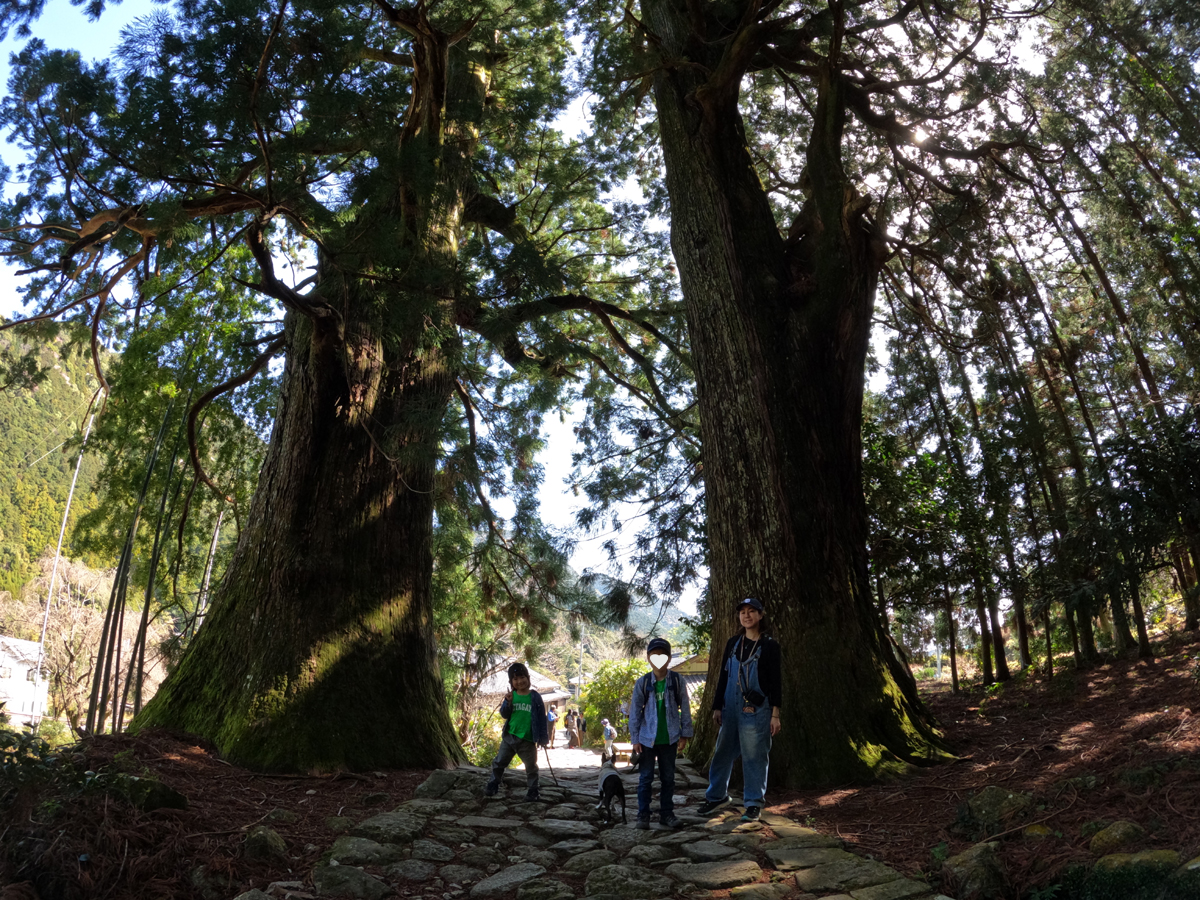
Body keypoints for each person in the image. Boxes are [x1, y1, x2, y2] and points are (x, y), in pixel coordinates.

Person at [699, 597, 782, 822]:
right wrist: (717, 706)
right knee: (722, 752)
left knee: (755, 756)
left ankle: (754, 803)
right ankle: (716, 796)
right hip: (730, 708)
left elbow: (776, 682)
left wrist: (775, 714)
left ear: (761, 615)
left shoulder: (769, 646)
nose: (747, 615)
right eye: (743, 612)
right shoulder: (733, 643)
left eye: (752, 611)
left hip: (758, 710)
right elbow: (723, 676)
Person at [628, 637, 693, 829]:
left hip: (670, 738)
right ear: (648, 657)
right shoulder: (643, 682)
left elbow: (686, 708)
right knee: (645, 778)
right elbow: (635, 712)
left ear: (669, 657)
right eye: (654, 655)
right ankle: (643, 814)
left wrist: (685, 734)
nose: (658, 658)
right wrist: (635, 738)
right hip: (647, 740)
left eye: (662, 655)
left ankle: (667, 814)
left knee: (668, 778)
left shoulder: (676, 680)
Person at [485, 662, 549, 801]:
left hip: (527, 739)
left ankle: (533, 791)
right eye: (515, 679)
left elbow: (541, 718)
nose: (519, 681)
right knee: (499, 762)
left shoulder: (535, 696)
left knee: (531, 767)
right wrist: (507, 703)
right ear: (511, 682)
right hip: (510, 736)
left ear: (528, 677)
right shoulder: (511, 696)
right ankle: (493, 784)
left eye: (522, 677)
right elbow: (504, 714)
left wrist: (543, 738)